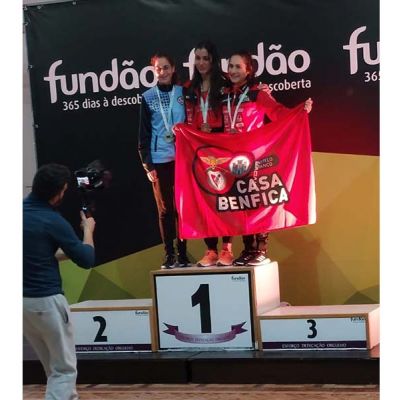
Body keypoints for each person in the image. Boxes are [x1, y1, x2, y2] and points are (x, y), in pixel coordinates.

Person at [222, 50, 313, 266]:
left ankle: (260, 249)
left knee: (258, 202)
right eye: (231, 66)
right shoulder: (224, 94)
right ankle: (248, 249)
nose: (233, 71)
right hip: (233, 160)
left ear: (248, 70)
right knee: (242, 204)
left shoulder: (258, 93)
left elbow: (277, 112)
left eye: (238, 67)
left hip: (255, 157)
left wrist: (299, 112)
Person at [23, 163, 96, 400]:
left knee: (54, 369)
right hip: (46, 302)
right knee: (64, 371)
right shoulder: (52, 221)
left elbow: (38, 253)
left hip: (22, 304)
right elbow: (86, 259)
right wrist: (88, 231)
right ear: (58, 193)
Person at [183, 40, 234, 268]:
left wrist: (260, 88)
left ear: (213, 60)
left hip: (221, 149)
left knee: (225, 200)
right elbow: (186, 118)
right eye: (198, 58)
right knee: (205, 202)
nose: (201, 63)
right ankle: (211, 250)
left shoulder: (225, 84)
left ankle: (227, 249)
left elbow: (237, 103)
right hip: (198, 152)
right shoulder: (189, 88)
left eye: (206, 58)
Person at [138, 52, 190, 269]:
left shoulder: (183, 93)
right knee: (166, 209)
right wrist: (147, 163)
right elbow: (144, 133)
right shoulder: (148, 96)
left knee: (183, 208)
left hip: (183, 159)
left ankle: (183, 254)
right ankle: (169, 255)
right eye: (158, 68)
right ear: (154, 71)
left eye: (166, 67)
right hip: (159, 159)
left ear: (173, 68)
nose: (162, 72)